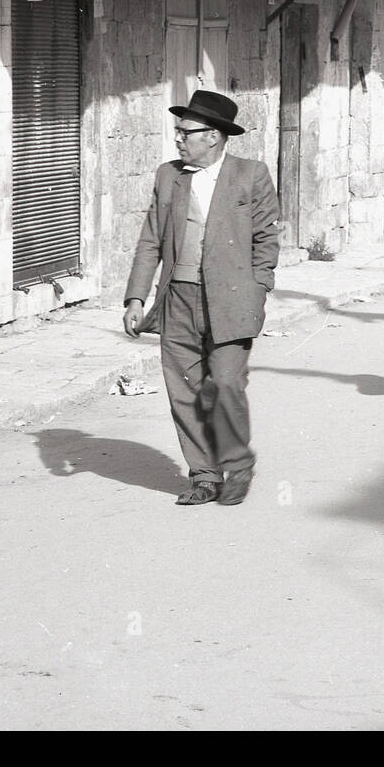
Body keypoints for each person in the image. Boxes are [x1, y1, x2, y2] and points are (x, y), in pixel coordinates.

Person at [123, 91, 279, 506]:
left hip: (231, 301)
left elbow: (266, 240)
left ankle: (237, 463)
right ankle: (204, 476)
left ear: (212, 136)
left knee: (225, 383)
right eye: (178, 131)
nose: (177, 139)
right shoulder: (168, 175)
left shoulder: (251, 175)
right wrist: (136, 297)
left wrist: (258, 289)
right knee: (186, 390)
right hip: (178, 301)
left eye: (185, 132)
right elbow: (151, 239)